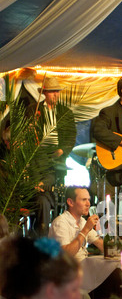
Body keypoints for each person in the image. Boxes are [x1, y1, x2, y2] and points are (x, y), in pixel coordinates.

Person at [49, 186, 122, 299]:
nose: (88, 203)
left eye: (88, 199)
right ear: (70, 202)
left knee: (117, 270)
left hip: (84, 270)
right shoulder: (60, 223)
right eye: (84, 200)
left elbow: (99, 243)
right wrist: (85, 230)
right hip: (69, 272)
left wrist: (114, 249)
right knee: (114, 277)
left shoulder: (82, 221)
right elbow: (65, 255)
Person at [26, 76, 76, 237]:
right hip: (38, 155)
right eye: (52, 92)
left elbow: (71, 136)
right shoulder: (34, 110)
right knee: (41, 191)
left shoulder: (65, 113)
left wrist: (63, 150)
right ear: (45, 93)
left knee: (51, 178)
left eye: (57, 92)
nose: (55, 95)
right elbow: (26, 135)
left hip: (56, 158)